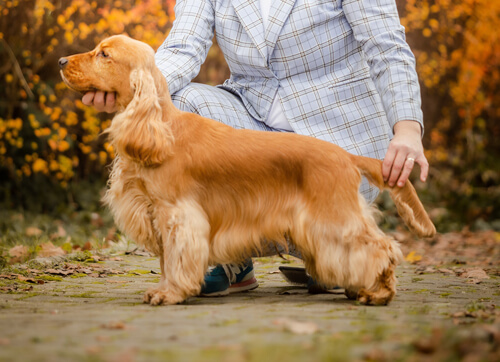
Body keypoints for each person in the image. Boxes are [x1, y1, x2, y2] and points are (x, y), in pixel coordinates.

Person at [83, 0, 429, 296]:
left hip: (338, 134)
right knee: (177, 102)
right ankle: (229, 259)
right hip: (251, 117)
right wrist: (126, 89)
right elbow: (182, 48)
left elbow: (386, 46)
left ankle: (331, 256)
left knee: (335, 266)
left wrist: (408, 129)